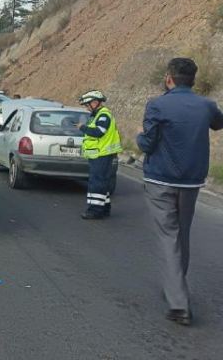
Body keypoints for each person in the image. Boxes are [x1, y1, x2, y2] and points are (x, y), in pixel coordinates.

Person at [136, 58, 223, 326]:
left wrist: (139, 135)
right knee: (181, 234)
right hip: (192, 182)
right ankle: (176, 286)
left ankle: (178, 303)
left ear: (169, 78)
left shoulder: (158, 104)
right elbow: (219, 123)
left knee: (168, 236)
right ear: (193, 80)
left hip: (160, 180)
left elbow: (147, 145)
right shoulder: (206, 105)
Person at [77, 90, 122, 220]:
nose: (86, 107)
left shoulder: (103, 115)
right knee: (101, 182)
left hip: (101, 154)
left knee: (96, 183)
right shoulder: (99, 115)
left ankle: (95, 211)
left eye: (87, 104)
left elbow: (99, 132)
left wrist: (82, 127)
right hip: (100, 154)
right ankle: (104, 208)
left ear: (95, 102)